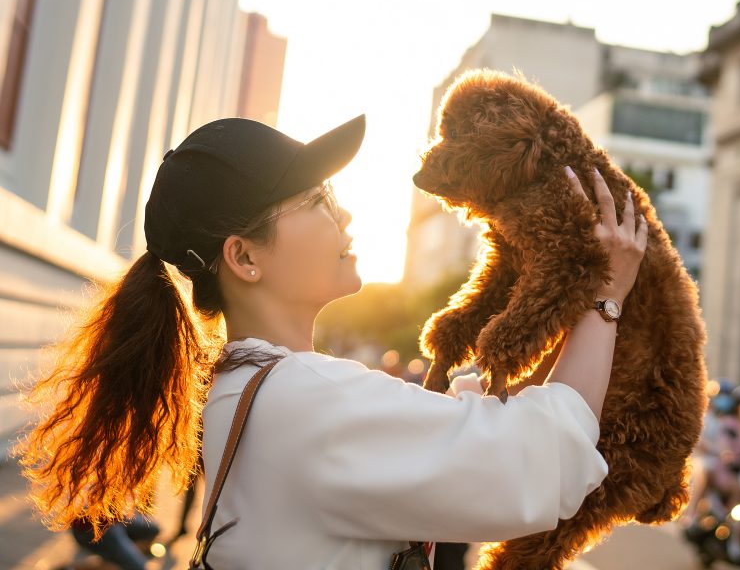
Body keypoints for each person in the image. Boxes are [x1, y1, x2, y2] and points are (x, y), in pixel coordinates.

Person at [16, 113, 647, 569]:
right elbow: (544, 465)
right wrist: (605, 294)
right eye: (316, 199)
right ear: (244, 257)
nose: (342, 215)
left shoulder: (247, 387)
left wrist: (465, 403)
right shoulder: (305, 398)